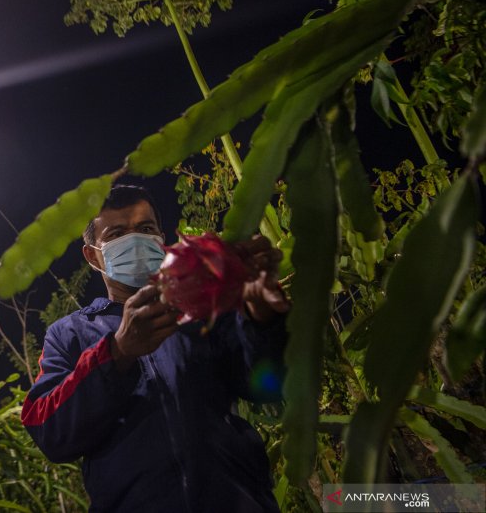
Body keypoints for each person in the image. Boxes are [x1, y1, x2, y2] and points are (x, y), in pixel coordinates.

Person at [21, 185, 290, 512]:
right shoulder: (68, 335)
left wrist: (261, 319)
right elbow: (49, 431)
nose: (135, 239)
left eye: (145, 229)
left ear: (161, 240)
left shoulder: (202, 312)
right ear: (93, 255)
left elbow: (267, 385)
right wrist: (118, 353)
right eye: (117, 233)